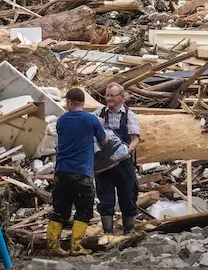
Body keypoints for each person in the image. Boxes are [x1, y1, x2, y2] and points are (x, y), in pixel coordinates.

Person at [47, 88, 107, 256]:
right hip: (82, 173)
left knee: (60, 209)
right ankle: (76, 246)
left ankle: (52, 246)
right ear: (83, 103)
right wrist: (99, 126)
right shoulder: (92, 120)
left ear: (68, 102)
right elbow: (104, 141)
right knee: (84, 209)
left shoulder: (61, 120)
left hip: (61, 172)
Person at [95, 82, 141, 234]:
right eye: (107, 95)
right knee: (105, 197)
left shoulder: (130, 115)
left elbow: (135, 139)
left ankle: (129, 230)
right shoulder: (98, 113)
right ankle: (108, 232)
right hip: (103, 165)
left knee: (128, 194)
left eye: (112, 96)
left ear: (121, 97)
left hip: (123, 163)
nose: (109, 99)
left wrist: (126, 151)